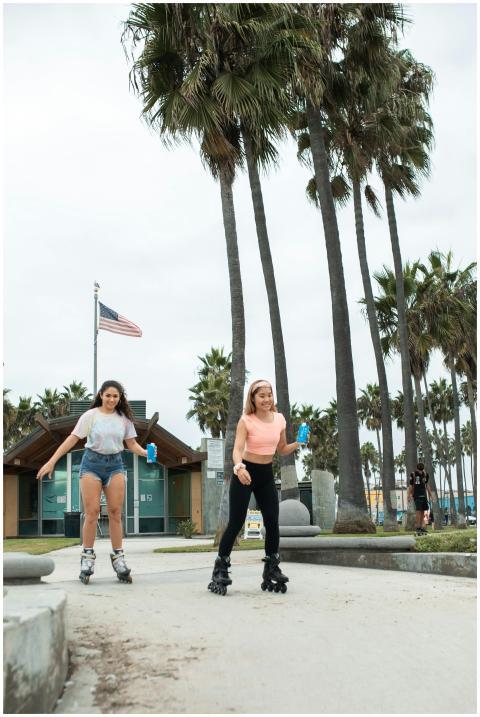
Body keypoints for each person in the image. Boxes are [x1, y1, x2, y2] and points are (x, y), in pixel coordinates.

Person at [36, 380, 150, 583]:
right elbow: (71, 439)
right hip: (91, 464)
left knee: (115, 512)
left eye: (116, 396)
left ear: (120, 398)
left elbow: (131, 444)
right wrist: (52, 461)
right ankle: (87, 558)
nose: (112, 399)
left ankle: (119, 559)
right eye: (108, 395)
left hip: (115, 464)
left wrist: (147, 453)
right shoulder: (90, 416)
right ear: (100, 395)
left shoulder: (124, 419)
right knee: (92, 512)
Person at [208, 379, 303, 596]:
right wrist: (239, 467)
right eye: (262, 396)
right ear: (253, 398)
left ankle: (272, 567)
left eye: (269, 395)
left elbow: (282, 449)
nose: (267, 399)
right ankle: (220, 568)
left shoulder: (279, 419)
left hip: (266, 474)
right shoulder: (246, 420)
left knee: (272, 520)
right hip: (246, 472)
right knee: (236, 521)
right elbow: (237, 448)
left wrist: (298, 443)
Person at [407, 462, 433, 536]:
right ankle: (417, 527)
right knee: (418, 511)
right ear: (418, 468)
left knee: (422, 512)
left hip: (424, 495)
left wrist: (430, 494)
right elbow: (411, 485)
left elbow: (427, 485)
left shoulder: (425, 475)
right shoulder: (413, 474)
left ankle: (421, 527)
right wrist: (409, 495)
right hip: (416, 495)